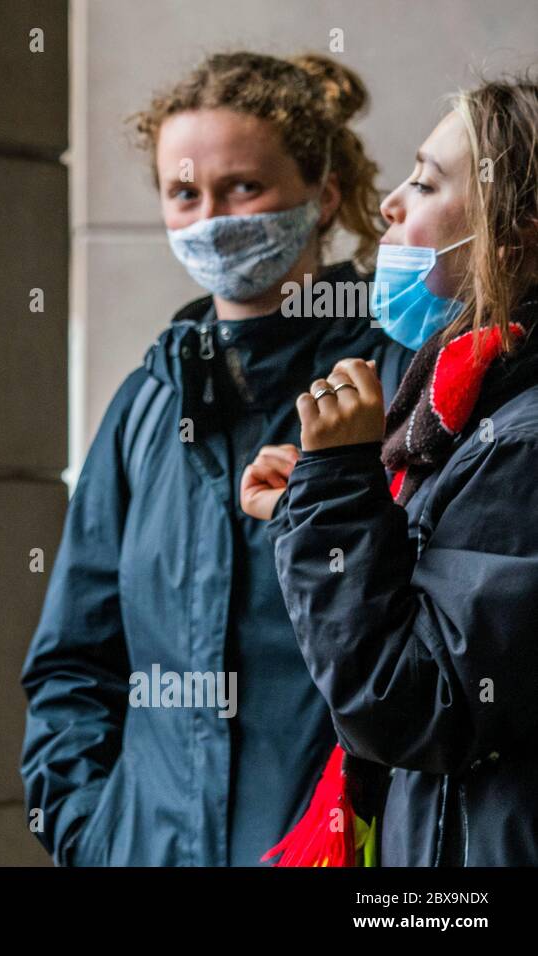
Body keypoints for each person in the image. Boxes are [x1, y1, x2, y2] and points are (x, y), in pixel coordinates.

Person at [19, 51, 412, 866]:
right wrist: (90, 835)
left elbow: (430, 651)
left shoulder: (393, 385)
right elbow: (74, 662)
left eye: (244, 188)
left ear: (324, 193)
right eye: (184, 194)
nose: (212, 219)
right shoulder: (147, 406)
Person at [244, 77, 538, 866]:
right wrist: (322, 495)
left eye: (427, 181)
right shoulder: (468, 409)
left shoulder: (521, 440)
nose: (391, 205)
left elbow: (417, 705)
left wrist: (339, 488)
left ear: (515, 245)